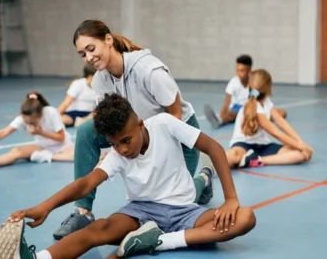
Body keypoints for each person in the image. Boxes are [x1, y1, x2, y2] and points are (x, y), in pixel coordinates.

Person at [0, 93, 256, 259]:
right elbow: (86, 183)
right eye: (115, 143)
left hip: (183, 211)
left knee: (244, 217)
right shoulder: (118, 154)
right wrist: (45, 207)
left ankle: (160, 242)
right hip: (140, 213)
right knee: (98, 228)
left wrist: (231, 198)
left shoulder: (165, 124)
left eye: (126, 140)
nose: (122, 149)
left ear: (141, 124)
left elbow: (214, 148)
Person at [52, 19, 213, 240]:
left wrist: (157, 161)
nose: (88, 57)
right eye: (82, 54)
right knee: (87, 131)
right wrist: (109, 153)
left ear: (108, 40)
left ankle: (204, 179)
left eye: (91, 49)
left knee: (173, 201)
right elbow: (107, 123)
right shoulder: (100, 81)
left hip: (178, 136)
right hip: (135, 134)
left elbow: (175, 117)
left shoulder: (149, 69)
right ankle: (83, 211)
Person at [225, 69, 313, 168]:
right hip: (243, 144)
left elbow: (282, 123)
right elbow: (276, 133)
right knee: (233, 156)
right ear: (268, 88)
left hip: (264, 146)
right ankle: (211, 168)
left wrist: (301, 143)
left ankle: (256, 160)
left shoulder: (267, 102)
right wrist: (302, 146)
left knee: (302, 155)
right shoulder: (255, 108)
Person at [0, 92, 74, 171]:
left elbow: (61, 138)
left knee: (76, 157)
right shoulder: (23, 118)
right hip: (43, 146)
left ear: (39, 115)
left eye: (31, 121)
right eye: (26, 121)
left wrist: (41, 133)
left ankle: (48, 156)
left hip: (63, 146)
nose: (29, 123)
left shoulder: (50, 112)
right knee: (16, 151)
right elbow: (4, 132)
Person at [204, 55, 286, 129]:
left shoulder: (254, 82)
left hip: (251, 107)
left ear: (249, 70)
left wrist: (267, 111)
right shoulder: (233, 83)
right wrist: (222, 115)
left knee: (282, 112)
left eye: (242, 70)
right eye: (237, 70)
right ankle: (219, 120)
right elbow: (226, 103)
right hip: (237, 109)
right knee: (232, 113)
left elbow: (259, 99)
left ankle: (255, 119)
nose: (239, 73)